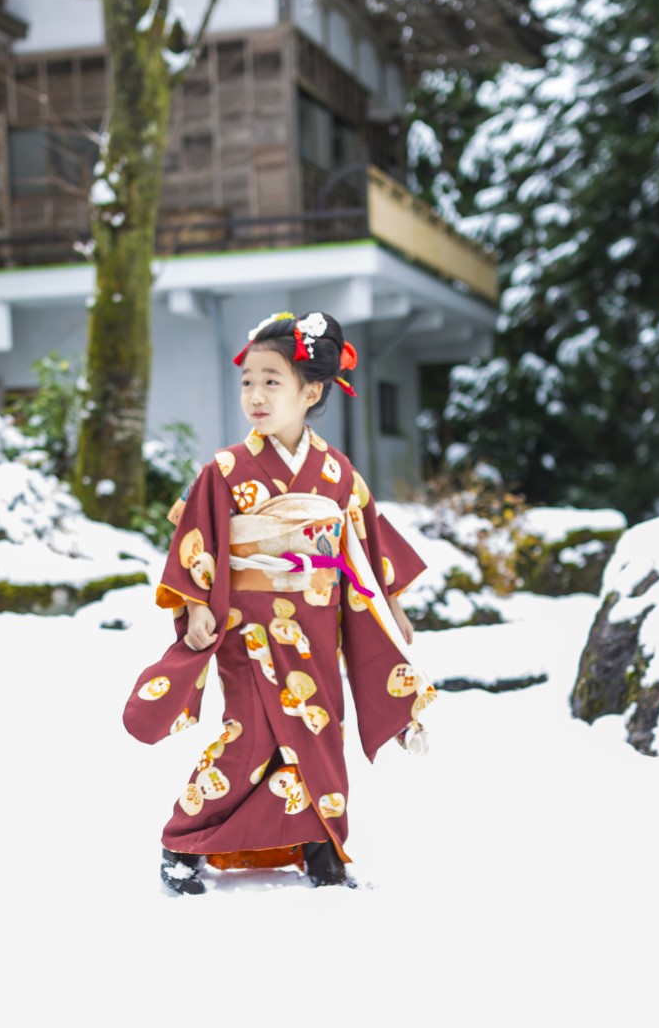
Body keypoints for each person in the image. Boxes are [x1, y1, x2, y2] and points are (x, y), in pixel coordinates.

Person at [122, 310, 438, 895]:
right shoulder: (225, 470)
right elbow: (196, 540)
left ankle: (321, 848)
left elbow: (365, 544)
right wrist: (196, 602)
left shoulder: (337, 472)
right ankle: (182, 840)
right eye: (248, 382)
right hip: (250, 629)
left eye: (272, 381)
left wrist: (390, 602)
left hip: (317, 626)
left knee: (322, 734)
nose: (256, 395)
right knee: (248, 736)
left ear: (310, 392)